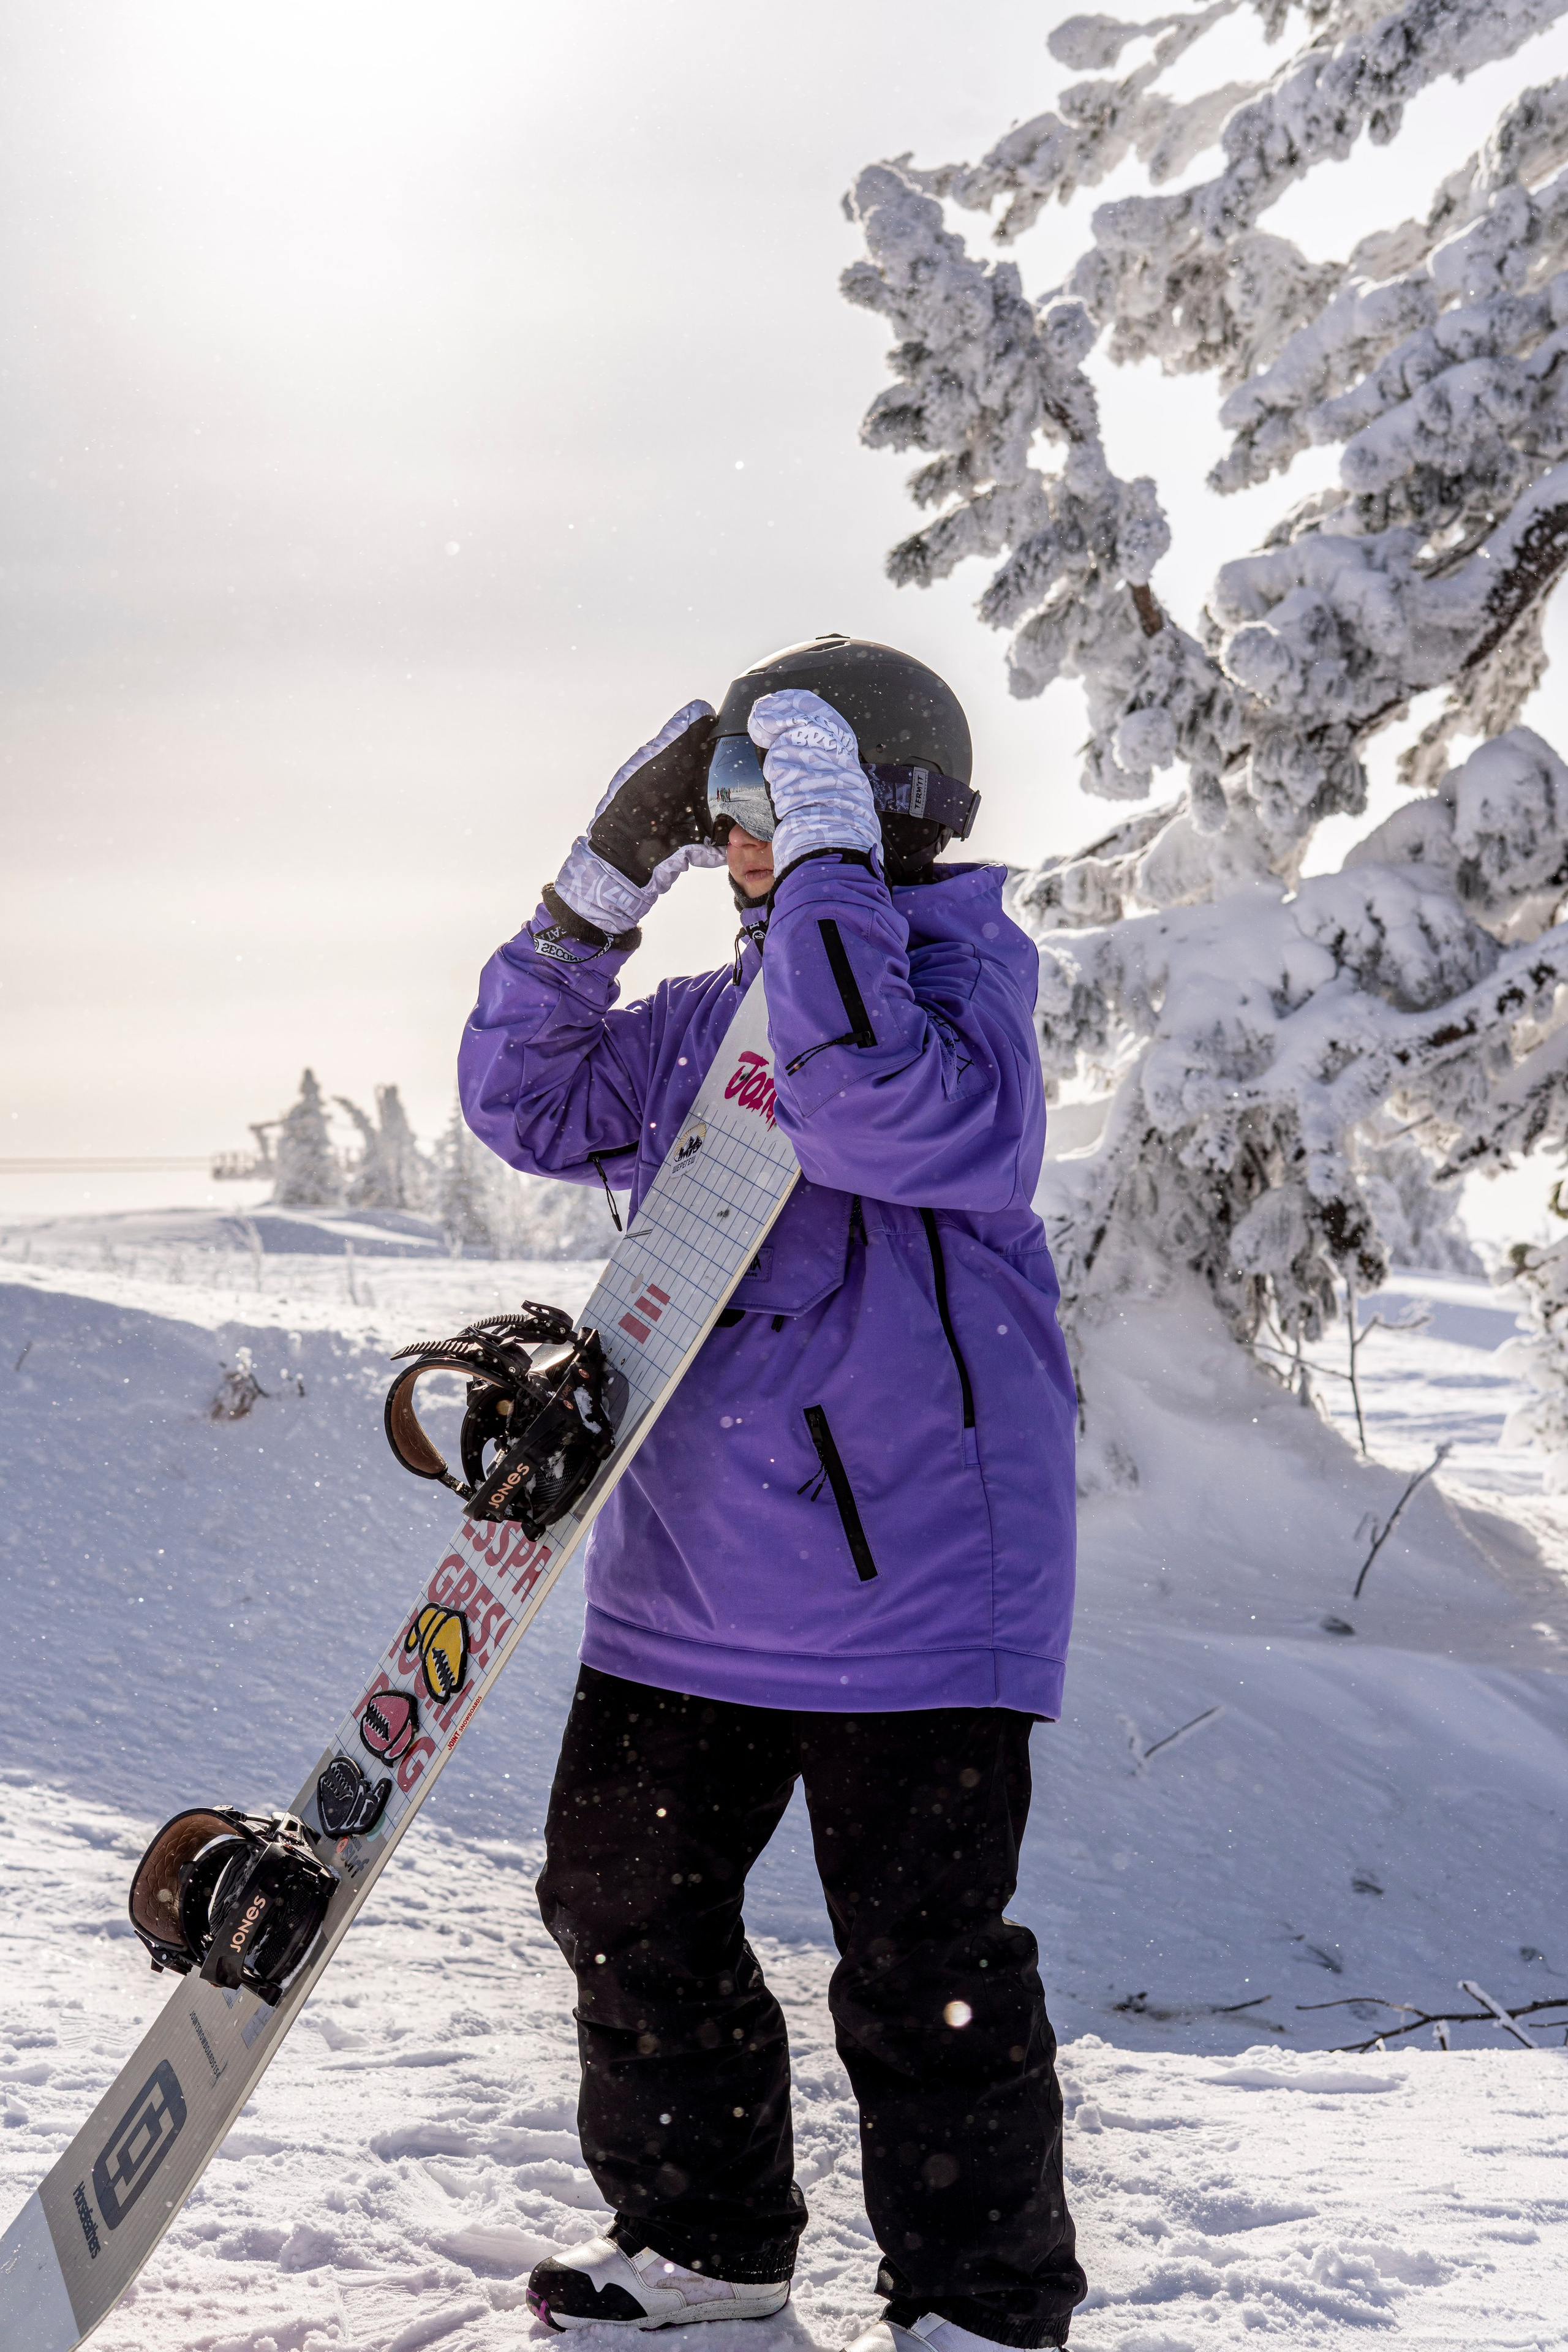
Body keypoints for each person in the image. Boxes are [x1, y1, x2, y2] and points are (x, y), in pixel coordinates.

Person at [458, 636, 1085, 2350]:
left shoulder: (969, 1003)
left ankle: (978, 2309)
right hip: (688, 1585)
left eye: (774, 797)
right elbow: (523, 1099)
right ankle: (707, 2247)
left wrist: (823, 876)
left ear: (874, 811)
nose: (736, 827)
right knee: (623, 1907)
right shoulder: (710, 1026)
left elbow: (869, 1104)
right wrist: (600, 886)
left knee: (921, 1966)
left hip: (918, 1591)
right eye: (721, 797)